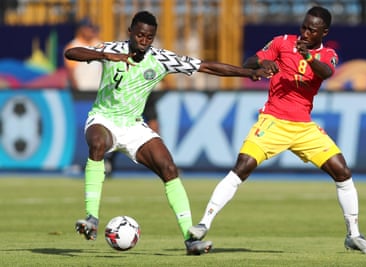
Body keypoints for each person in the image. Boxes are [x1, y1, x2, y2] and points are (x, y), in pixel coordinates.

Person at [64, 10, 271, 255]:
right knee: (98, 144)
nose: (143, 40)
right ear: (130, 32)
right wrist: (104, 55)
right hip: (104, 119)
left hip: (133, 125)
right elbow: (71, 53)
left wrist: (248, 72)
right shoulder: (113, 49)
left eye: (149, 37)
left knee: (169, 168)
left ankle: (190, 240)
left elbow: (206, 67)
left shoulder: (161, 58)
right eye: (140, 35)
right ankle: (92, 218)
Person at [188, 6, 366, 255]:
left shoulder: (328, 54)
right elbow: (250, 61)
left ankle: (353, 235)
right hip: (273, 121)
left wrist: (308, 57)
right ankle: (204, 223)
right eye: (304, 27)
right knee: (242, 166)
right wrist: (264, 62)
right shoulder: (282, 42)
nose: (305, 33)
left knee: (342, 172)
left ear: (324, 32)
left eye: (312, 30)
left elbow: (326, 73)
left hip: (304, 127)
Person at [64, 17, 102, 91]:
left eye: (94, 28)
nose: (92, 31)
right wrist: (76, 90)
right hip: (82, 90)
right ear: (82, 29)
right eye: (90, 28)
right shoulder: (73, 46)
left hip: (98, 90)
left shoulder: (100, 45)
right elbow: (71, 71)